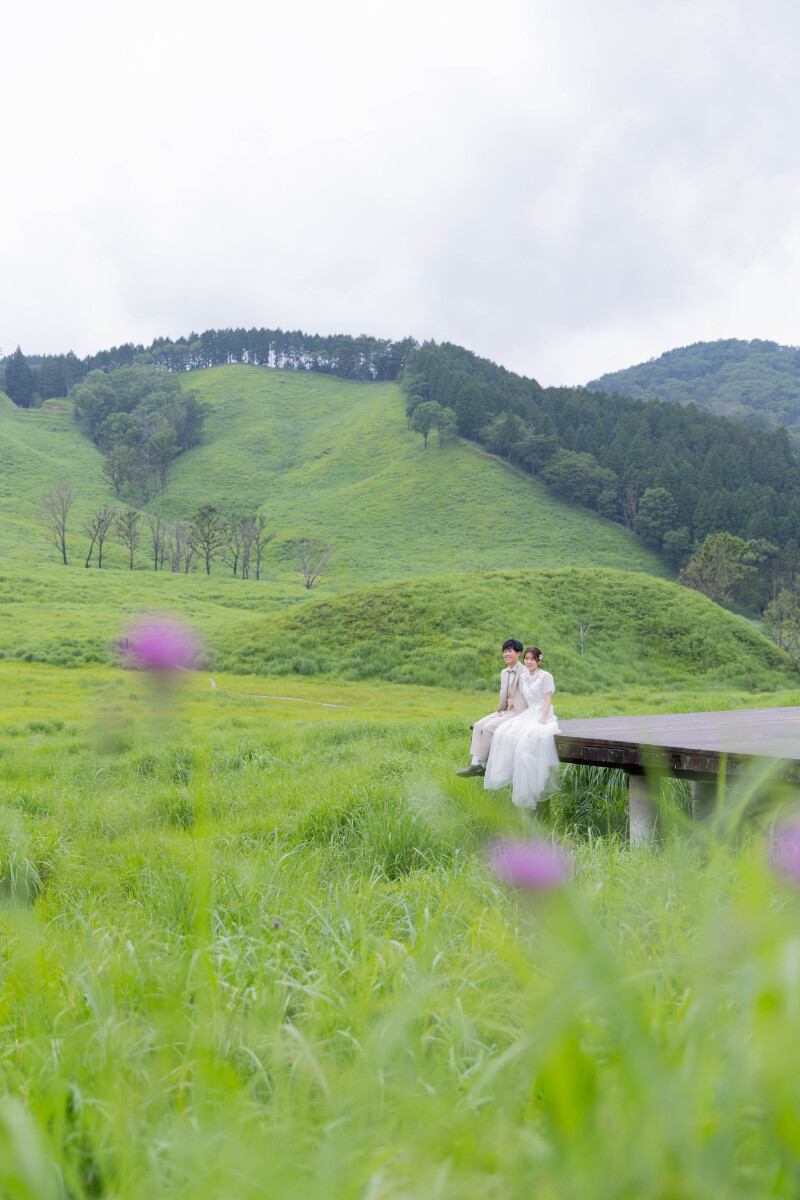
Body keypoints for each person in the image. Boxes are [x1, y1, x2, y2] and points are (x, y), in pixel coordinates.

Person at [483, 646, 560, 809]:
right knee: (504, 733)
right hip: (529, 712)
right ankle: (501, 771)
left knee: (528, 740)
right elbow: (525, 701)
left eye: (532, 659)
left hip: (543, 712)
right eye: (527, 659)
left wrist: (543, 718)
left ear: (539, 661)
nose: (529, 662)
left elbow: (548, 701)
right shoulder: (523, 677)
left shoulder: (546, 676)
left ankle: (536, 784)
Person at [457, 639, 528, 777]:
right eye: (505, 651)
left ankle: (482, 764)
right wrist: (500, 710)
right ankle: (474, 763)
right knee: (478, 725)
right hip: (504, 710)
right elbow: (504, 693)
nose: (506, 654)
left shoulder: (525, 672)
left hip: (517, 713)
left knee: (488, 727)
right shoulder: (504, 672)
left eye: (510, 651)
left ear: (519, 653)